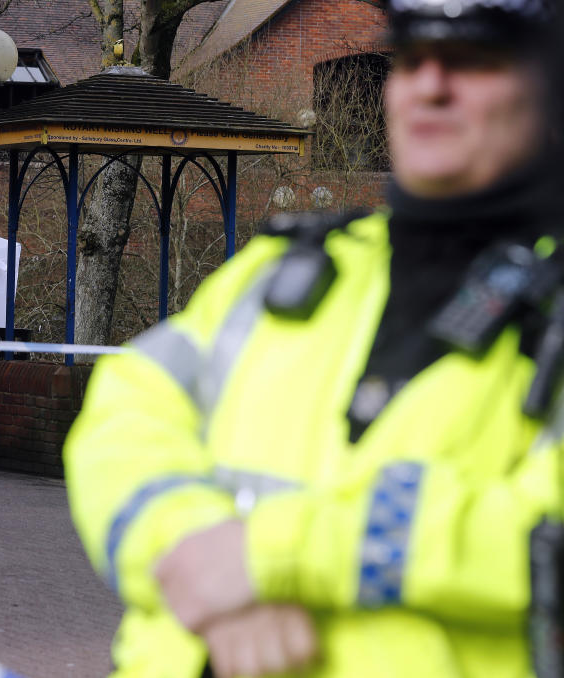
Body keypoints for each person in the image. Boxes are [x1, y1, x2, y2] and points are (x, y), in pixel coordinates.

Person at [63, 0, 564, 676]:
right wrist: (194, 548)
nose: (431, 86)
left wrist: (268, 558)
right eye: (411, 59)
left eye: (474, 62)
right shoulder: (282, 276)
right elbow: (123, 417)